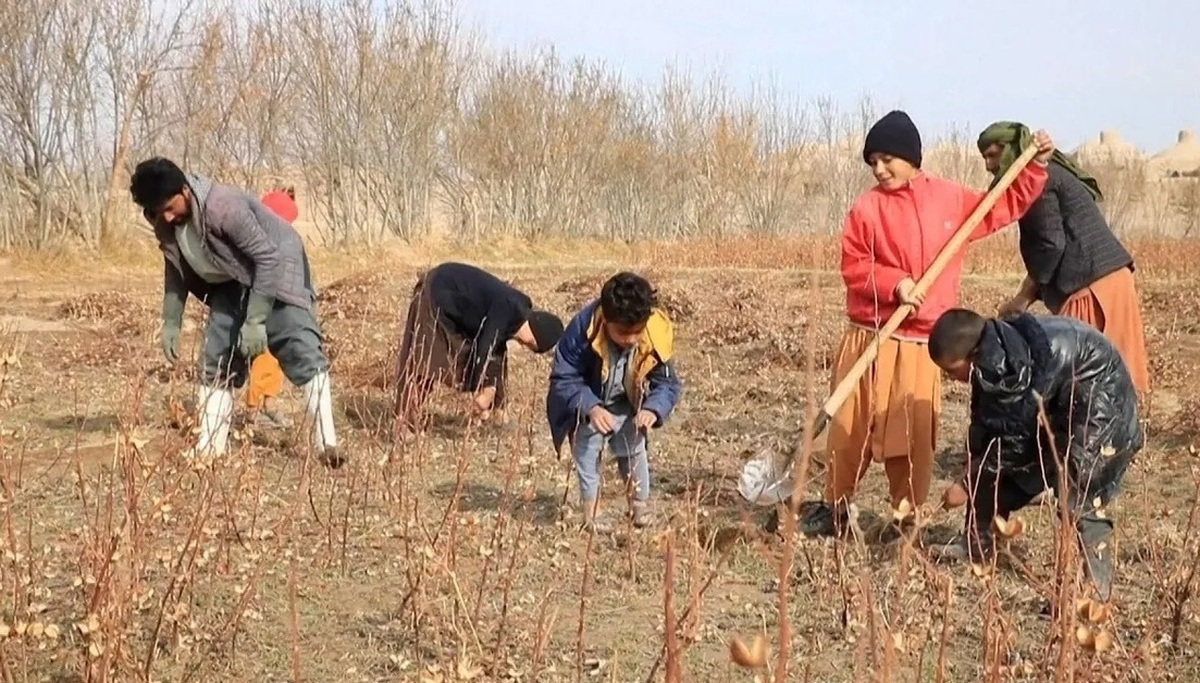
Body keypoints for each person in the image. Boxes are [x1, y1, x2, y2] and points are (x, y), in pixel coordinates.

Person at [799, 110, 1055, 538]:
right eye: (873, 162)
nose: (879, 170)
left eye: (887, 159)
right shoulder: (866, 209)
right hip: (870, 337)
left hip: (921, 344)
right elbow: (853, 265)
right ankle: (836, 506)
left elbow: (1003, 204)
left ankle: (906, 515)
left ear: (910, 156)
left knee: (912, 439)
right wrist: (895, 283)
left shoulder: (950, 200)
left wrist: (1036, 166)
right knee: (848, 431)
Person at [926, 308, 1142, 615]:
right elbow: (988, 429)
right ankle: (977, 548)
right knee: (993, 469)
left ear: (972, 353)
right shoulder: (991, 356)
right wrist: (974, 467)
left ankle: (1094, 593)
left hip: (1101, 397)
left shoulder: (1007, 366)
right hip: (1060, 397)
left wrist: (966, 482)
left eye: (951, 369)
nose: (950, 378)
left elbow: (1012, 443)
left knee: (1080, 491)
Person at [130, 157, 342, 468]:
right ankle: (211, 447)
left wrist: (256, 320)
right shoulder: (163, 220)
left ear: (185, 190)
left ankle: (328, 444)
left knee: (300, 349)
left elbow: (267, 258)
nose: (166, 215)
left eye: (169, 206)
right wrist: (171, 320)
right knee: (216, 359)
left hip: (279, 272)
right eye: (156, 211)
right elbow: (174, 268)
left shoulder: (223, 207)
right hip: (230, 279)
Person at [977, 121, 1150, 398]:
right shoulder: (1049, 175)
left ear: (1013, 151)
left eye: (993, 155)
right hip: (1109, 278)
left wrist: (1023, 298)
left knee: (1079, 379)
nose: (988, 166)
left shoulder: (1039, 183)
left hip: (1091, 287)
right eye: (985, 157)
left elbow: (1050, 244)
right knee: (1112, 375)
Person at [546, 272, 683, 533]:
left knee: (635, 446)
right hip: (589, 398)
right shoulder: (582, 330)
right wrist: (590, 407)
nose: (631, 339)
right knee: (586, 450)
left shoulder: (655, 333)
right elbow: (564, 377)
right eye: (622, 333)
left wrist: (653, 409)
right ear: (606, 320)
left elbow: (667, 383)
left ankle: (640, 505)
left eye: (636, 332)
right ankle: (592, 512)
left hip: (627, 400)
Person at [392, 261, 564, 435]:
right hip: (435, 294)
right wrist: (485, 389)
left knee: (494, 356)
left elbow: (495, 351)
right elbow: (486, 345)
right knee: (429, 362)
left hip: (452, 302)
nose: (525, 346)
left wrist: (491, 392)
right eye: (532, 345)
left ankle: (500, 414)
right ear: (537, 334)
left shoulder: (516, 310)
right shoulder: (509, 307)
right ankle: (404, 422)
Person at [244, 187, 300, 430]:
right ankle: (253, 411)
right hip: (259, 307)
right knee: (264, 358)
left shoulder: (280, 237)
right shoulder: (258, 240)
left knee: (274, 358)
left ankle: (269, 405)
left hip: (277, 305)